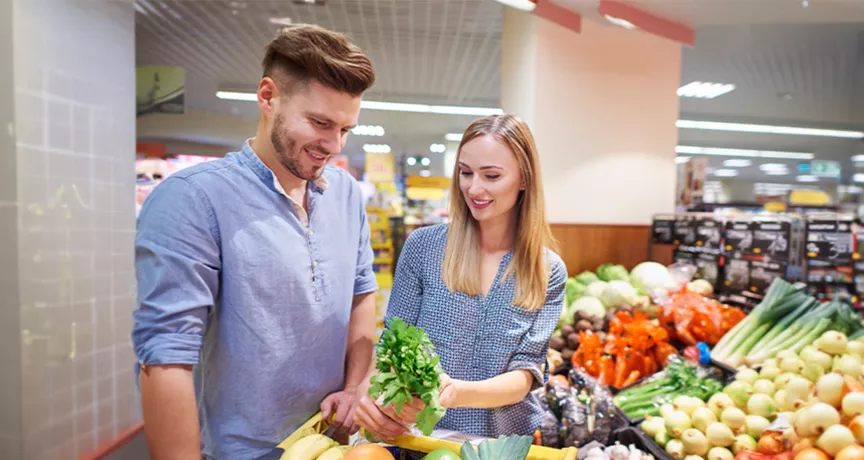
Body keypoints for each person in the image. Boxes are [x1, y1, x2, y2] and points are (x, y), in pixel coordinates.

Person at [132, 25, 379, 460]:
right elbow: (166, 356)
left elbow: (361, 294)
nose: (333, 145)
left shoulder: (345, 193)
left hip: (330, 445)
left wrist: (356, 386)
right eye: (320, 123)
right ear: (268, 97)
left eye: (345, 129)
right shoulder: (193, 198)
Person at [355, 114, 567, 440]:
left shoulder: (547, 270)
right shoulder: (424, 248)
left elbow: (526, 373)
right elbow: (392, 342)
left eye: (491, 175)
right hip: (421, 437)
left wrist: (456, 392)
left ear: (524, 178)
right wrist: (370, 393)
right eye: (466, 173)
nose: (474, 188)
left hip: (500, 443)